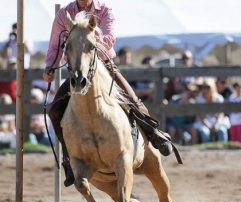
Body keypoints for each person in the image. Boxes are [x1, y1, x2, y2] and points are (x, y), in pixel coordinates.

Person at [43, 0, 173, 187]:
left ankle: (154, 134)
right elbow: (55, 44)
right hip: (78, 68)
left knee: (132, 99)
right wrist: (50, 66)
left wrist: (87, 38)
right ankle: (68, 159)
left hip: (104, 65)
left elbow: (110, 38)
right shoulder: (64, 14)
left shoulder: (104, 10)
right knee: (55, 110)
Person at [193, 78, 230, 143]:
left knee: (222, 131)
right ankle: (207, 151)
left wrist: (217, 124)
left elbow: (221, 113)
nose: (206, 89)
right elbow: (200, 116)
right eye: (204, 87)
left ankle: (223, 149)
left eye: (208, 87)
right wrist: (209, 126)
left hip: (217, 121)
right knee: (205, 132)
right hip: (204, 122)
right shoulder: (199, 99)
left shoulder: (218, 98)